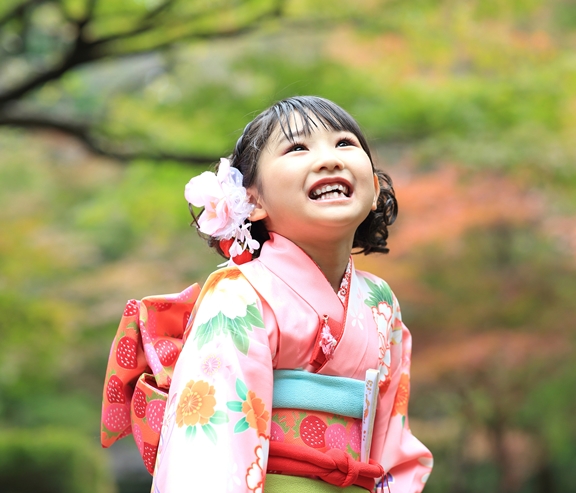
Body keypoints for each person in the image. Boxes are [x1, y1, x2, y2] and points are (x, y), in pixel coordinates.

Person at [101, 96, 433, 493]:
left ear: (375, 189)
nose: (329, 159)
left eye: (344, 143)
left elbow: (394, 445)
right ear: (252, 200)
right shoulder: (238, 295)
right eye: (297, 148)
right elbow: (210, 442)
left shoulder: (380, 302)